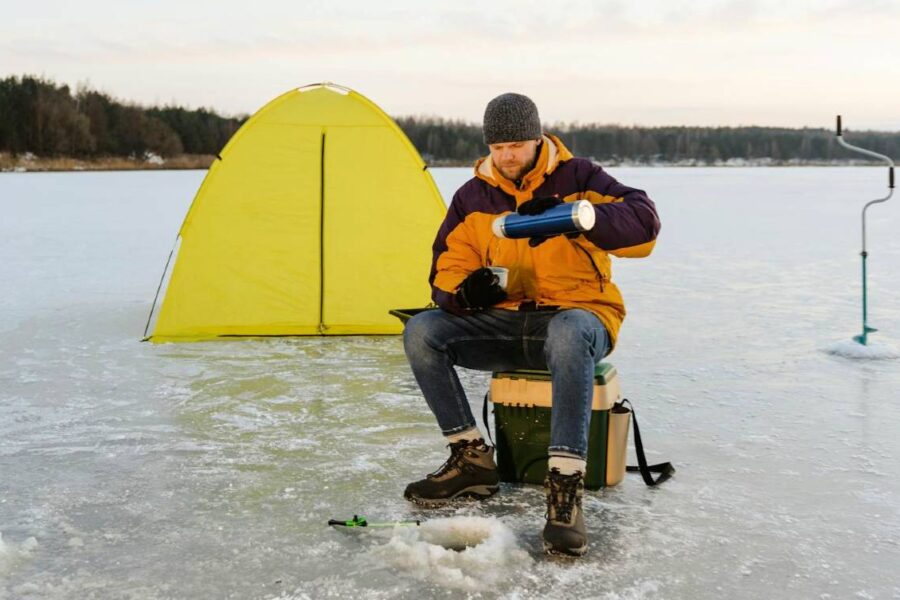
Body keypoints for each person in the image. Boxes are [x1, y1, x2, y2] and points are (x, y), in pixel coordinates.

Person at [402, 92, 660, 556]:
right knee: (423, 331)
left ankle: (564, 486)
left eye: (517, 145)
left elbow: (644, 225)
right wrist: (465, 294)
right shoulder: (473, 196)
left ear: (537, 138)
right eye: (498, 147)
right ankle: (472, 459)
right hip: (508, 322)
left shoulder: (579, 177)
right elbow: (447, 265)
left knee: (567, 331)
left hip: (580, 315)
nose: (507, 157)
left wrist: (581, 218)